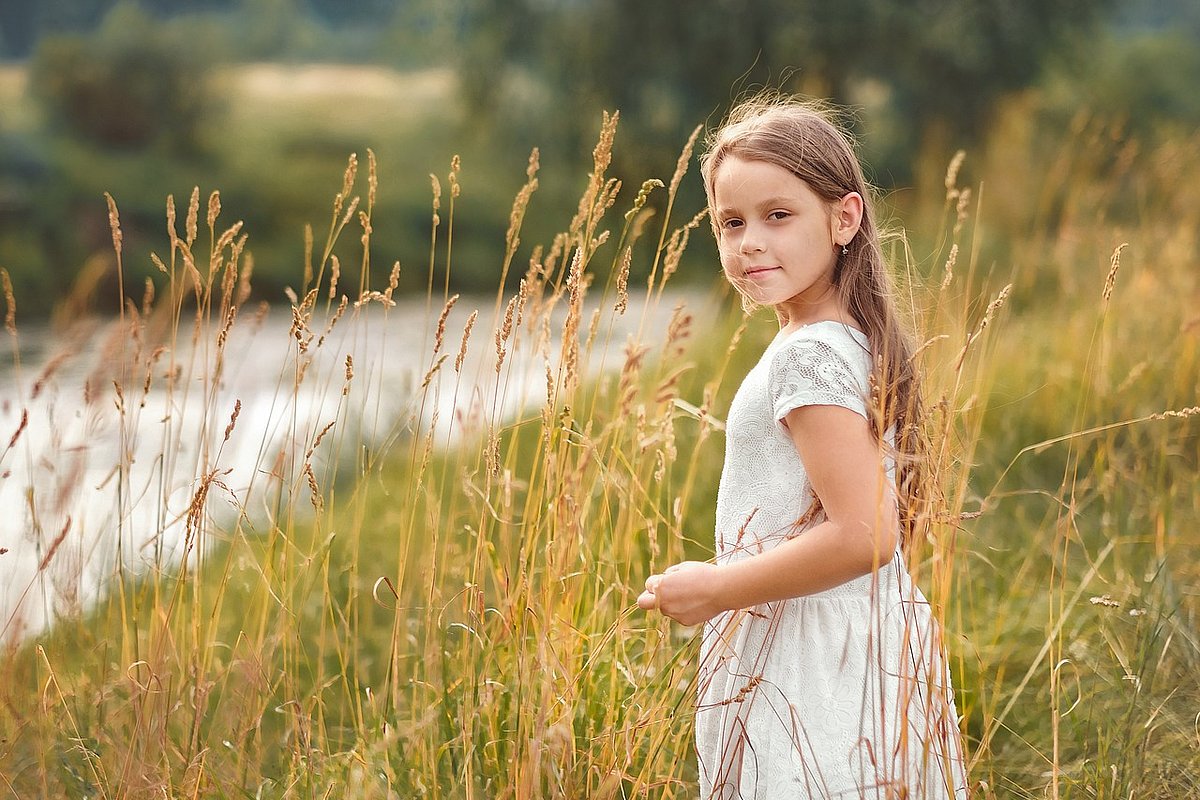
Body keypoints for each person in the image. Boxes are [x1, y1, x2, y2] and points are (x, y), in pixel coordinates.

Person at [637, 95, 969, 799]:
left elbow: (867, 532)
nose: (749, 242)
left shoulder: (808, 357)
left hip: (812, 655)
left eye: (777, 216)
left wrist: (716, 588)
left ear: (844, 218)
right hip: (854, 635)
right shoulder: (838, 336)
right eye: (731, 223)